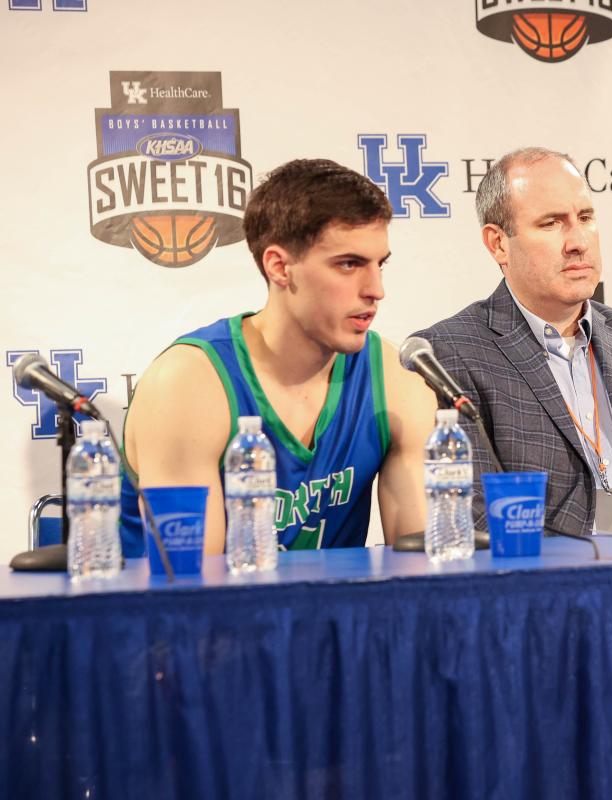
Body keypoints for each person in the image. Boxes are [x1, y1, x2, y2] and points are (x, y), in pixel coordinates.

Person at [414, 147, 612, 536]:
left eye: (585, 218)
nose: (578, 242)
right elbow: (479, 519)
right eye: (551, 223)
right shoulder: (450, 354)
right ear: (498, 244)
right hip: (558, 569)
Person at [119, 159, 437, 554]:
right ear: (279, 267)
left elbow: (424, 563)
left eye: (380, 264)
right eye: (349, 264)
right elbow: (192, 581)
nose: (376, 289)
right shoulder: (187, 383)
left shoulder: (396, 380)